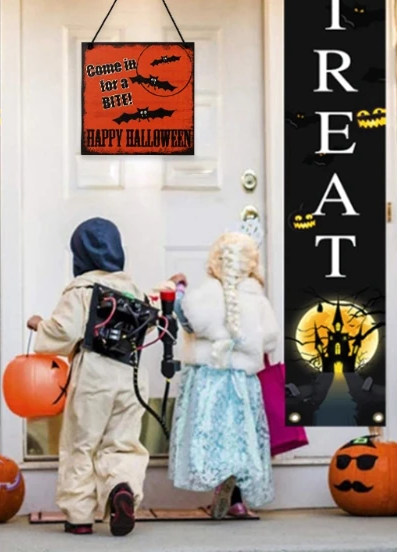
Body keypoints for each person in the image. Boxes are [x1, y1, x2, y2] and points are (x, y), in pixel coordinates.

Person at [26, 217, 161, 537]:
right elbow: (148, 326)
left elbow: (64, 332)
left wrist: (39, 325)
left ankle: (80, 516)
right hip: (131, 376)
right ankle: (121, 488)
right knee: (122, 442)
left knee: (81, 444)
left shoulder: (81, 290)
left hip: (94, 377)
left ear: (80, 255)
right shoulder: (133, 289)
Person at [167, 231, 279, 519]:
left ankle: (219, 486)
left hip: (208, 378)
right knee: (239, 439)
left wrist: (179, 290)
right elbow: (269, 340)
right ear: (250, 265)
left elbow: (187, 320)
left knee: (213, 436)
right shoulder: (257, 300)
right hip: (242, 380)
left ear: (214, 262)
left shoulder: (204, 295)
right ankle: (237, 500)